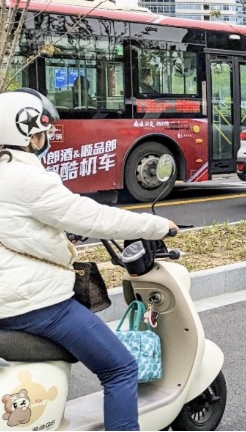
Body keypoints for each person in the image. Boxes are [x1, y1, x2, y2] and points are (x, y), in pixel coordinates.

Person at [0, 89, 176, 431]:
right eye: (42, 133)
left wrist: (59, 236)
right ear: (28, 134)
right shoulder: (29, 179)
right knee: (121, 368)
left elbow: (19, 227)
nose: (45, 139)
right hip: (36, 306)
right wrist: (157, 226)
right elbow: (94, 218)